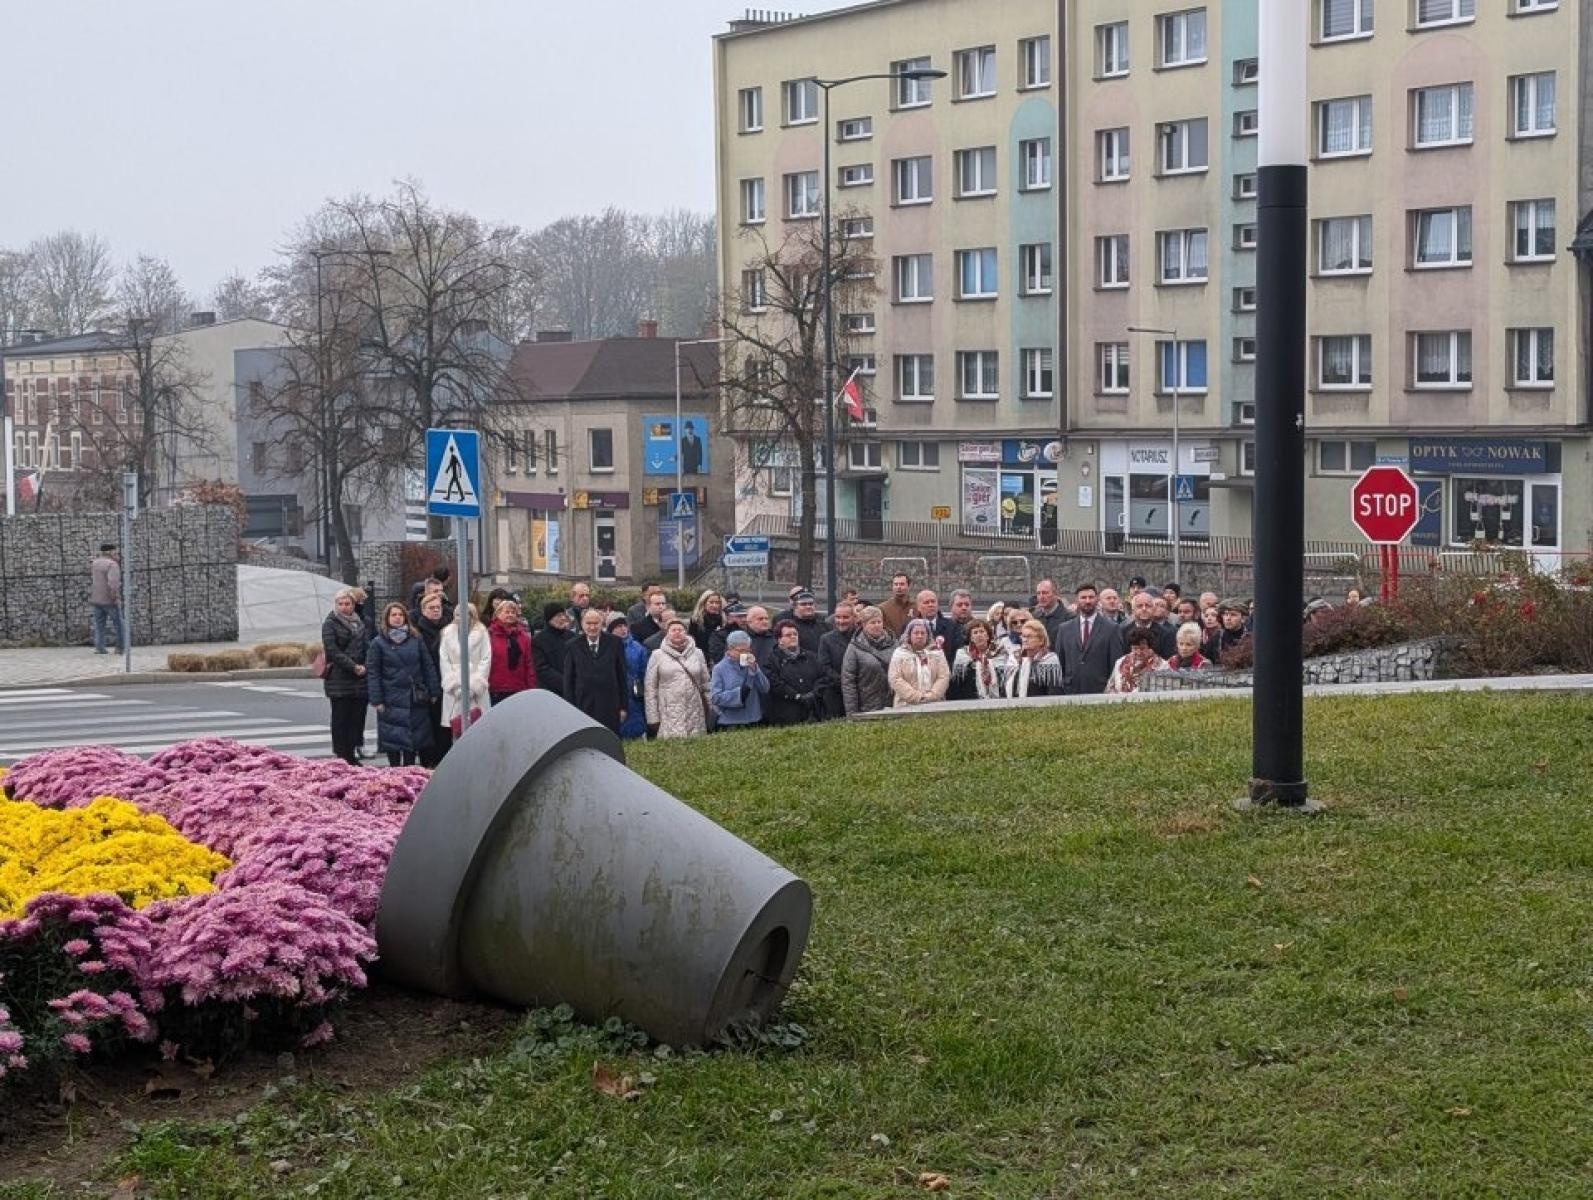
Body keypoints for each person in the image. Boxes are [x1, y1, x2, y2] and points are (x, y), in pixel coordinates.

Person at [366, 601, 440, 767]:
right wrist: (376, 699)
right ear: (387, 618)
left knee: (413, 738)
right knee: (392, 738)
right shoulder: (378, 643)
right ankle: (394, 772)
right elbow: (374, 672)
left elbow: (427, 665)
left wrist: (433, 690)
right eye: (394, 615)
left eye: (400, 615)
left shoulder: (416, 639)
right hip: (390, 697)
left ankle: (409, 770)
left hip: (414, 696)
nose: (397, 618)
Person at [321, 588, 370, 765]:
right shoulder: (330, 623)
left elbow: (366, 646)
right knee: (341, 718)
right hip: (339, 678)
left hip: (359, 678)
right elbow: (332, 650)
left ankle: (352, 752)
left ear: (353, 605)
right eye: (340, 604)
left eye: (347, 603)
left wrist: (365, 665)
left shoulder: (360, 622)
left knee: (356, 718)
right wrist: (353, 666)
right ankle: (342, 755)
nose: (343, 607)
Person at [562, 607, 629, 733]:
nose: (592, 627)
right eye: (588, 623)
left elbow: (622, 676)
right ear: (582, 624)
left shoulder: (615, 643)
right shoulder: (572, 646)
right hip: (583, 706)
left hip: (610, 705)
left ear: (602, 624)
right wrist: (570, 710)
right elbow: (568, 681)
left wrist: (623, 707)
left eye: (596, 623)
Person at [644, 618, 711, 738]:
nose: (677, 632)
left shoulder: (698, 653)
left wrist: (710, 708)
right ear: (667, 633)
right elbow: (650, 688)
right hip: (668, 711)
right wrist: (653, 718)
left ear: (686, 632)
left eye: (680, 629)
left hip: (695, 710)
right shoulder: (657, 655)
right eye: (673, 630)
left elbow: (705, 683)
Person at [411, 591, 453, 767]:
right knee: (428, 724)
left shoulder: (449, 629)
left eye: (438, 607)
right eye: (431, 608)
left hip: (447, 681)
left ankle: (444, 759)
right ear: (423, 610)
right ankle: (428, 760)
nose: (436, 610)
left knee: (445, 724)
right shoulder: (418, 631)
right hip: (427, 683)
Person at [1059, 583, 1124, 696]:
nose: (1087, 601)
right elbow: (1061, 662)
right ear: (1077, 600)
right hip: (1070, 691)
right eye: (1083, 597)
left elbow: (1116, 664)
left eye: (1091, 597)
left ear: (1097, 599)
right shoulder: (1064, 629)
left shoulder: (1111, 628)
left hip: (1101, 691)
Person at [440, 602, 492, 739]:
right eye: (456, 614)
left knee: (478, 727)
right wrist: (455, 685)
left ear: (471, 615)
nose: (459, 617)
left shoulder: (482, 632)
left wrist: (474, 686)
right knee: (456, 728)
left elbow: (486, 658)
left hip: (476, 687)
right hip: (454, 689)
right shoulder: (447, 633)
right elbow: (444, 660)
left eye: (463, 614)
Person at [840, 605, 897, 716]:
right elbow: (848, 682)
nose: (876, 626)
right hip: (867, 705)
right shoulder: (854, 648)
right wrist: (852, 713)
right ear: (864, 625)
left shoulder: (894, 644)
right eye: (872, 623)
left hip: (893, 704)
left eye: (879, 622)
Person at [765, 620, 823, 725]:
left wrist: (814, 693)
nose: (793, 637)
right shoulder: (772, 660)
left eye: (795, 634)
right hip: (786, 714)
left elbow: (822, 676)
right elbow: (775, 683)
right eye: (788, 635)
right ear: (779, 640)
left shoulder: (812, 657)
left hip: (813, 711)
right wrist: (796, 696)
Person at [709, 629, 769, 729]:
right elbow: (716, 697)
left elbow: (765, 688)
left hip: (754, 719)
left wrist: (755, 671)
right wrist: (739, 694)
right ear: (729, 650)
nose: (744, 654)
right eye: (741, 651)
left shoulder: (750, 663)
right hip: (730, 722)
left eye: (747, 650)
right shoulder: (719, 668)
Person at [889, 619, 951, 707]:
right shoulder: (899, 653)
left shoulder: (937, 653)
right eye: (916, 633)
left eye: (923, 633)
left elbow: (944, 676)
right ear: (909, 635)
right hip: (905, 704)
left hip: (935, 704)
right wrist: (917, 697)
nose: (920, 636)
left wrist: (932, 696)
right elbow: (895, 678)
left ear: (928, 635)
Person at [606, 613, 650, 739]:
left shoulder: (638, 648)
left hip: (635, 695)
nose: (623, 629)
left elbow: (644, 672)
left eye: (624, 625)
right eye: (618, 626)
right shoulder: (606, 647)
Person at [487, 598, 536, 705]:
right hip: (495, 689)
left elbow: (529, 664)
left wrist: (531, 688)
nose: (510, 615)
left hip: (519, 689)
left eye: (513, 612)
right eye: (507, 612)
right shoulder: (489, 635)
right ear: (498, 614)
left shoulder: (524, 637)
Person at [1002, 619, 1063, 699]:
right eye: (1023, 636)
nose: (1025, 640)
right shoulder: (1015, 660)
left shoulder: (1049, 661)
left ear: (1041, 640)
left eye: (1029, 637)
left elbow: (1054, 692)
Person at [816, 602, 856, 719]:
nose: (841, 621)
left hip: (858, 690)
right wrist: (843, 681)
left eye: (845, 617)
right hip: (834, 691)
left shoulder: (860, 637)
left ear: (853, 618)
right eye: (838, 617)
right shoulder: (826, 639)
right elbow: (824, 666)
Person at [948, 618, 1003, 702]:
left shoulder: (1000, 652)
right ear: (970, 638)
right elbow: (957, 683)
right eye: (975, 632)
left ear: (988, 635)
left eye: (982, 631)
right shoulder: (962, 654)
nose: (979, 635)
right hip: (969, 701)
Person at [1106, 625, 1169, 695]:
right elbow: (1110, 688)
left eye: (1142, 648)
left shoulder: (1162, 666)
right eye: (1135, 648)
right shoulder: (1120, 662)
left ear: (1150, 647)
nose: (1139, 652)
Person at [532, 602, 573, 698]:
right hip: (550, 694)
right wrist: (565, 683)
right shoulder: (538, 641)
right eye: (558, 616)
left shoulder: (572, 637)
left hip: (572, 692)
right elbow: (542, 669)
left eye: (564, 615)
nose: (563, 618)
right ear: (549, 618)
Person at [89, 543, 123, 654]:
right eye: (115, 551)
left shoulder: (95, 563)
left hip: (96, 598)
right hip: (109, 599)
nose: (116, 553)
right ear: (109, 552)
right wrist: (115, 596)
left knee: (99, 625)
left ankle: (99, 647)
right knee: (118, 624)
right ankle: (120, 647)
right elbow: (113, 583)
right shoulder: (112, 565)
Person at [915, 589, 963, 666]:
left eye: (933, 602)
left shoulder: (953, 626)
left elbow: (957, 654)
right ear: (918, 607)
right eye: (926, 602)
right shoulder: (910, 628)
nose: (931, 605)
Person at [1125, 590, 1178, 658]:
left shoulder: (1166, 634)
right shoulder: (1123, 631)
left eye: (1148, 606)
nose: (1144, 609)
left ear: (1153, 609)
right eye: (1139, 606)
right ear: (1133, 610)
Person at [1031, 579, 1070, 651]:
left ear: (1056, 594)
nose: (1041, 597)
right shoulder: (1033, 617)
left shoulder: (1069, 618)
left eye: (1045, 593)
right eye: (1038, 593)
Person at [785, 591, 825, 655]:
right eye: (803, 604)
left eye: (811, 604)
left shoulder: (825, 627)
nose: (808, 606)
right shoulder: (789, 628)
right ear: (795, 607)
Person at [689, 590, 725, 656]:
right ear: (704, 603)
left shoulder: (723, 621)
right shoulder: (696, 620)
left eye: (717, 603)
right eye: (711, 602)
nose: (714, 605)